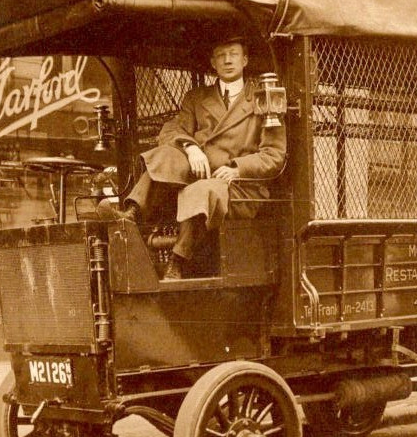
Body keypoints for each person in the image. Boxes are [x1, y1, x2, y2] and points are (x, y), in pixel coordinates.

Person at [112, 34, 286, 279]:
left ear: (245, 60)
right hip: (200, 175)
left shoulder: (262, 97)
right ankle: (131, 214)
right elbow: (171, 130)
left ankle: (178, 261)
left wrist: (237, 169)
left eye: (233, 54)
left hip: (240, 186)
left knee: (201, 190)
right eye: (221, 55)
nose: (228, 60)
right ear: (213, 63)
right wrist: (191, 148)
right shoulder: (196, 98)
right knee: (165, 154)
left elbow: (274, 155)